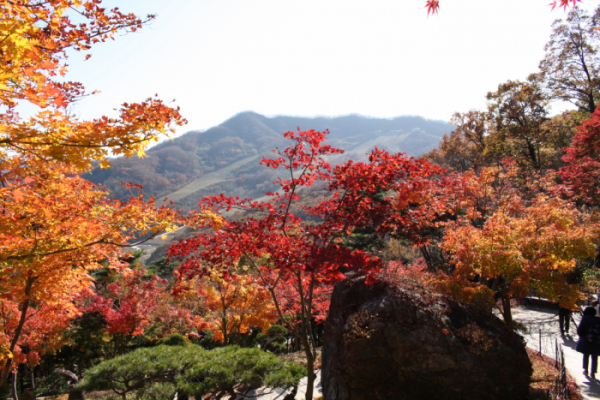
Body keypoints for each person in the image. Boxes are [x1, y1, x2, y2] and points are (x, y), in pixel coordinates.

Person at [576, 306, 600, 379]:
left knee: (586, 355)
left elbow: (580, 330)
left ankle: (586, 370)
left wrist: (582, 336)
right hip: (596, 341)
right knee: (595, 357)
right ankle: (593, 373)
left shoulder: (585, 319)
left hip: (586, 340)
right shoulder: (598, 320)